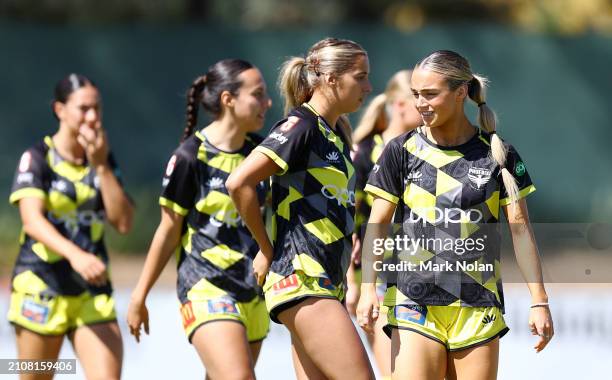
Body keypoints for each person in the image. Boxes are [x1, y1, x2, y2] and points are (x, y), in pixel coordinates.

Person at [357, 50, 554, 380]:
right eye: (416, 94)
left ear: (461, 92)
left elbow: (521, 232)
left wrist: (539, 300)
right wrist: (366, 289)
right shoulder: (399, 151)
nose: (421, 103)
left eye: (431, 94)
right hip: (412, 301)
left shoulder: (499, 154)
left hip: (477, 305)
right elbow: (377, 227)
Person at [226, 37, 375, 379]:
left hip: (325, 283)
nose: (368, 86)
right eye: (360, 76)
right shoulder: (302, 126)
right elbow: (239, 182)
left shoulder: (334, 132)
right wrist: (266, 248)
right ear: (331, 79)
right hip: (303, 278)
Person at [126, 59, 272, 380]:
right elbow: (167, 230)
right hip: (206, 287)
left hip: (253, 290)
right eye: (258, 94)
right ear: (228, 99)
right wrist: (139, 296)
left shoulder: (262, 155)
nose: (267, 102)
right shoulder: (190, 157)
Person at [7, 73, 134, 380]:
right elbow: (32, 220)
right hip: (42, 286)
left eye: (97, 109)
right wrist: (75, 255)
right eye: (83, 108)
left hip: (92, 292)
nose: (92, 117)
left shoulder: (102, 157)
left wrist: (102, 165)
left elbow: (123, 222)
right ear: (60, 110)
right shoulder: (38, 158)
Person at [346, 69, 422, 379]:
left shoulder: (428, 151)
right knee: (393, 373)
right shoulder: (364, 153)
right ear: (400, 104)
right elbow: (349, 221)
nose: (429, 107)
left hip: (420, 279)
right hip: (376, 282)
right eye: (420, 99)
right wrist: (352, 284)